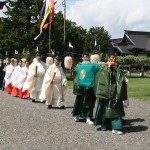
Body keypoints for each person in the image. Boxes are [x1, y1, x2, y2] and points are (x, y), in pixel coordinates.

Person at [94, 50, 127, 135]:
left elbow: (122, 78)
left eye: (115, 57)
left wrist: (115, 68)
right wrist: (108, 68)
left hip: (115, 92)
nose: (114, 59)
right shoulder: (104, 67)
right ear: (108, 58)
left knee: (115, 109)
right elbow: (101, 78)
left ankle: (115, 128)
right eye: (112, 57)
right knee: (104, 109)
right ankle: (104, 124)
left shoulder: (118, 67)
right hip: (105, 92)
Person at [77, 53, 100, 125]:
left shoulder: (94, 65)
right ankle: (87, 117)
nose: (96, 60)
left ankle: (86, 116)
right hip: (88, 87)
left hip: (93, 86)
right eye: (94, 59)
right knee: (88, 102)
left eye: (97, 59)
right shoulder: (88, 65)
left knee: (91, 102)